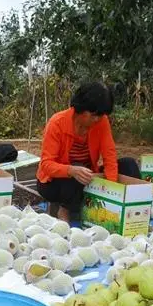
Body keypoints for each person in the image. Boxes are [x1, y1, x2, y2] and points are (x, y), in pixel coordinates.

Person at [37, 82, 141, 222]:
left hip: (86, 176)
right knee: (76, 175)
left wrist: (111, 191)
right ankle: (64, 210)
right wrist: (71, 170)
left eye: (100, 115)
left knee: (129, 165)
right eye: (93, 115)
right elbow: (46, 165)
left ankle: (134, 210)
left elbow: (109, 156)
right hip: (54, 182)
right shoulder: (57, 123)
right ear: (81, 108)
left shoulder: (101, 122)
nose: (97, 119)